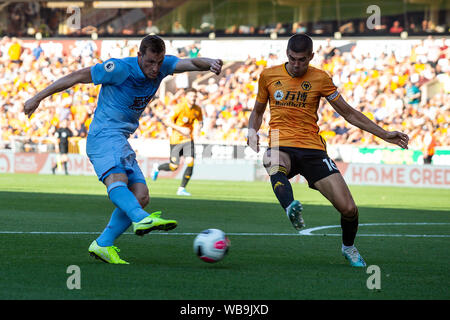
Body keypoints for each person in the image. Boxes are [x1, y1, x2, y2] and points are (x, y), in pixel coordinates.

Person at [24, 35, 223, 264]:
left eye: (159, 62)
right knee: (117, 180)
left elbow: (189, 63)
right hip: (103, 136)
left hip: (121, 138)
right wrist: (37, 97)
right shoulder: (118, 68)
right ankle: (140, 218)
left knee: (141, 195)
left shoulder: (163, 66)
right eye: (149, 62)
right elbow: (77, 76)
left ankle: (103, 244)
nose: (155, 68)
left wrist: (210, 62)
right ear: (139, 55)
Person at [247, 34, 409, 267]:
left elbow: (349, 113)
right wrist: (252, 131)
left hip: (313, 148)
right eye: (292, 59)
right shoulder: (268, 76)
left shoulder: (321, 78)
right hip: (279, 141)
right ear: (286, 54)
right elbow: (258, 111)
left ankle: (348, 247)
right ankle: (291, 207)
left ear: (311, 57)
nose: (296, 64)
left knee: (349, 209)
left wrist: (384, 134)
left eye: (302, 60)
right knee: (272, 162)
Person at [151, 88, 203, 196]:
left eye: (195, 96)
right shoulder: (179, 107)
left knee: (190, 162)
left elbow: (200, 121)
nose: (193, 98)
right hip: (176, 140)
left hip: (189, 140)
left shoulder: (197, 109)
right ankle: (157, 167)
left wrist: (198, 128)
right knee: (174, 166)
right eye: (191, 96)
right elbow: (167, 121)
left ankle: (181, 189)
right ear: (186, 97)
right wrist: (180, 129)